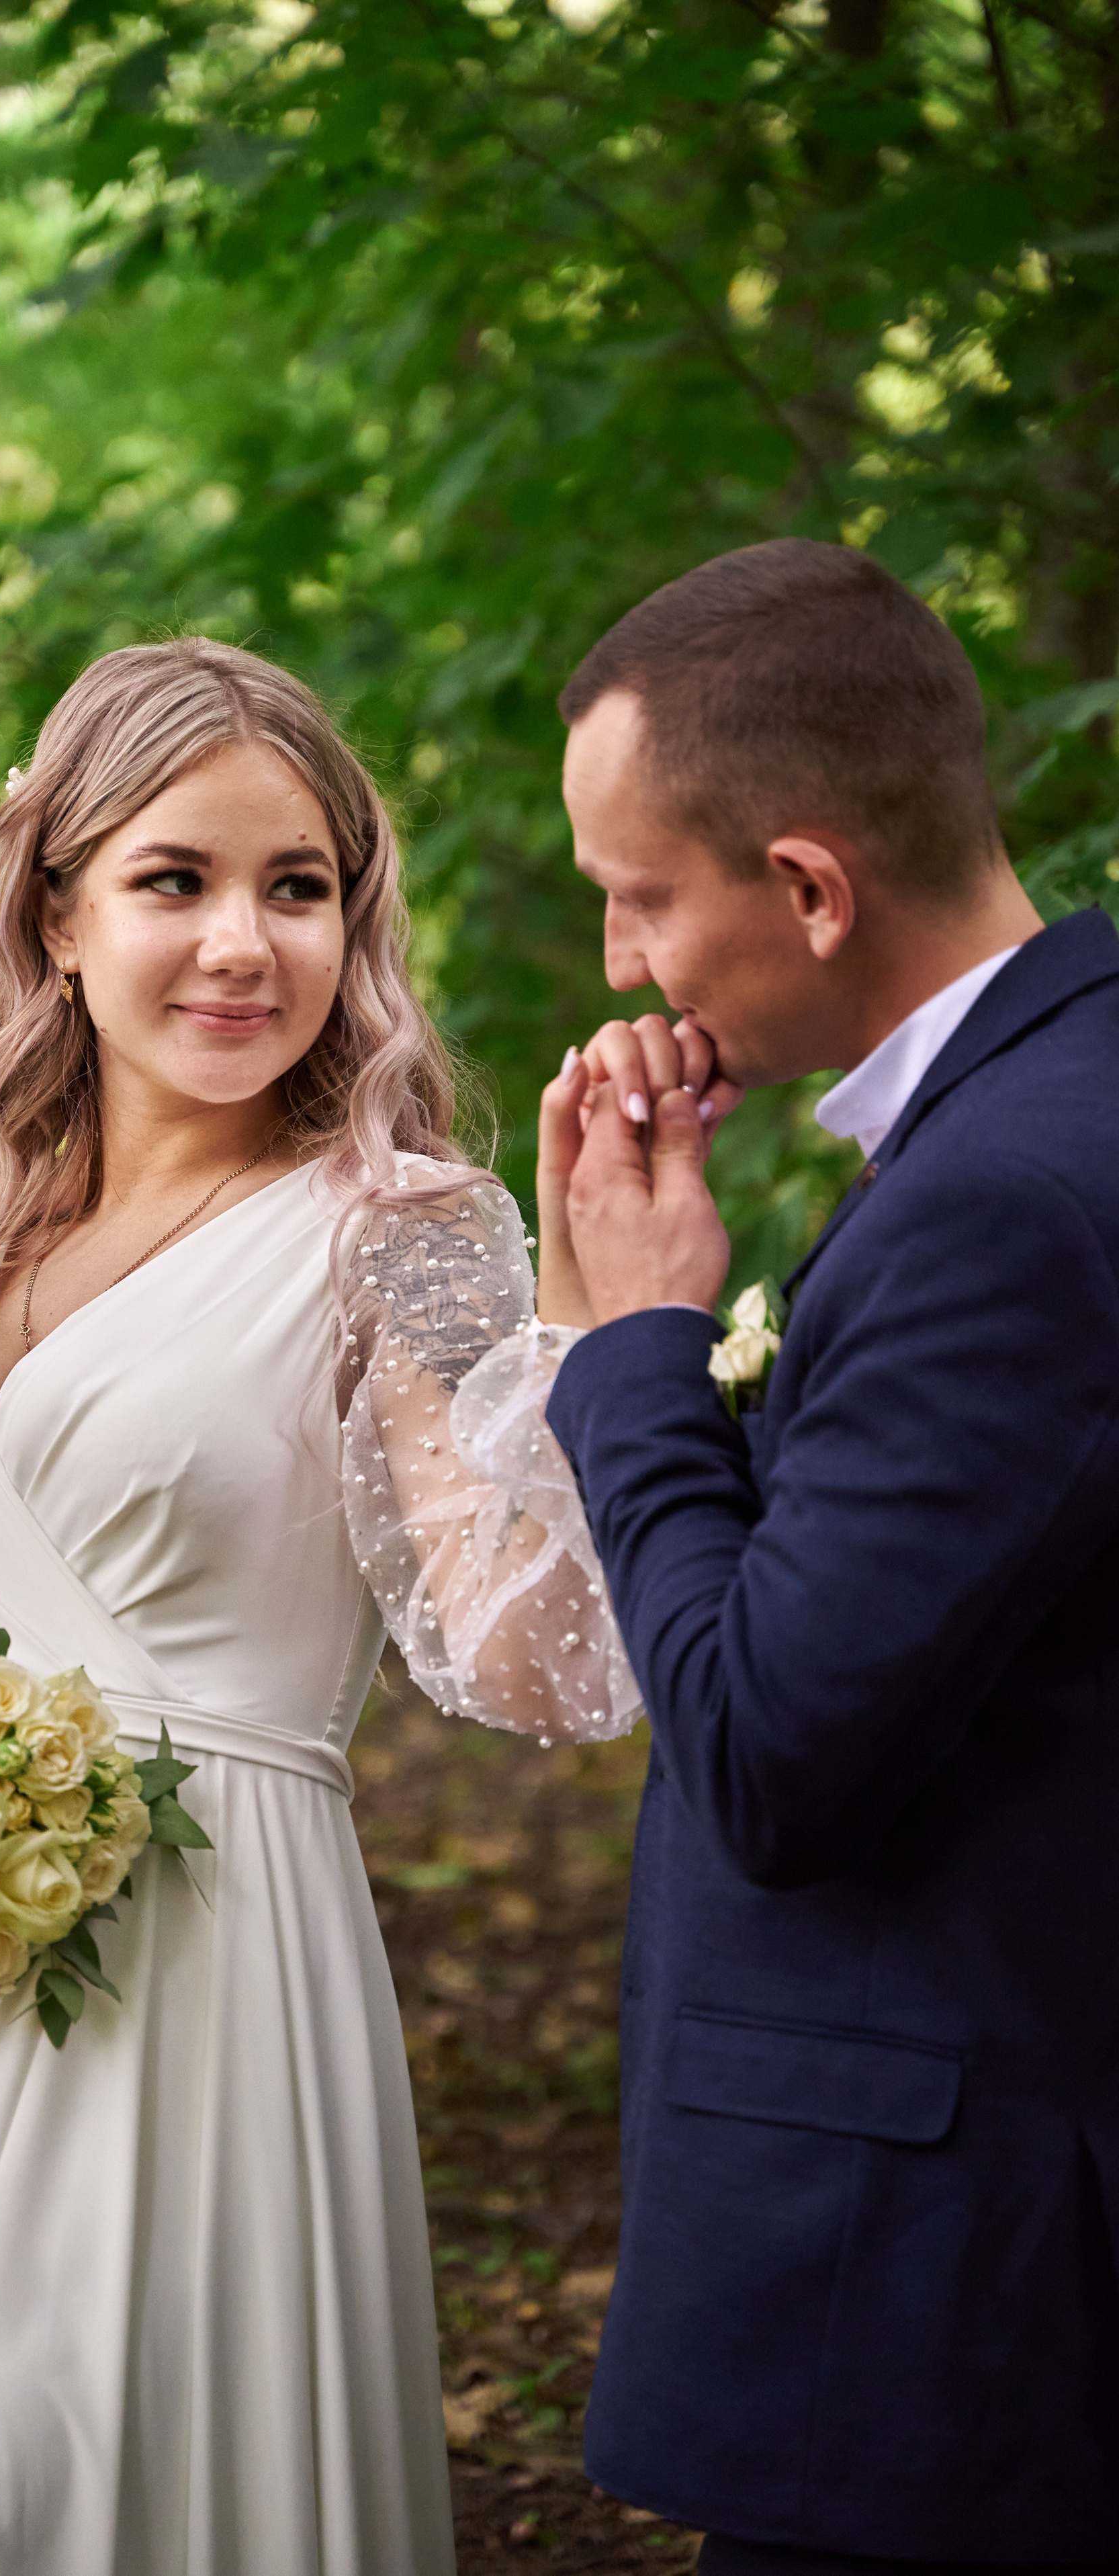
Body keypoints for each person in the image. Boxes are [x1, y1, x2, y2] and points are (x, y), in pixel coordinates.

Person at [0, 637, 637, 2576]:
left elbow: (539, 1663)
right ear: (56, 907)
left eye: (299, 888)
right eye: (174, 880)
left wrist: (603, 1335)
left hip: (198, 1996)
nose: (242, 944)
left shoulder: (405, 1228)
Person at [533, 538, 1119, 2574]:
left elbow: (774, 1748)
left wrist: (634, 1356)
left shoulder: (1012, 1205)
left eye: (639, 896)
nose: (623, 963)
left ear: (805, 886)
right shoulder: (1041, 1106)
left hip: (947, 2327)